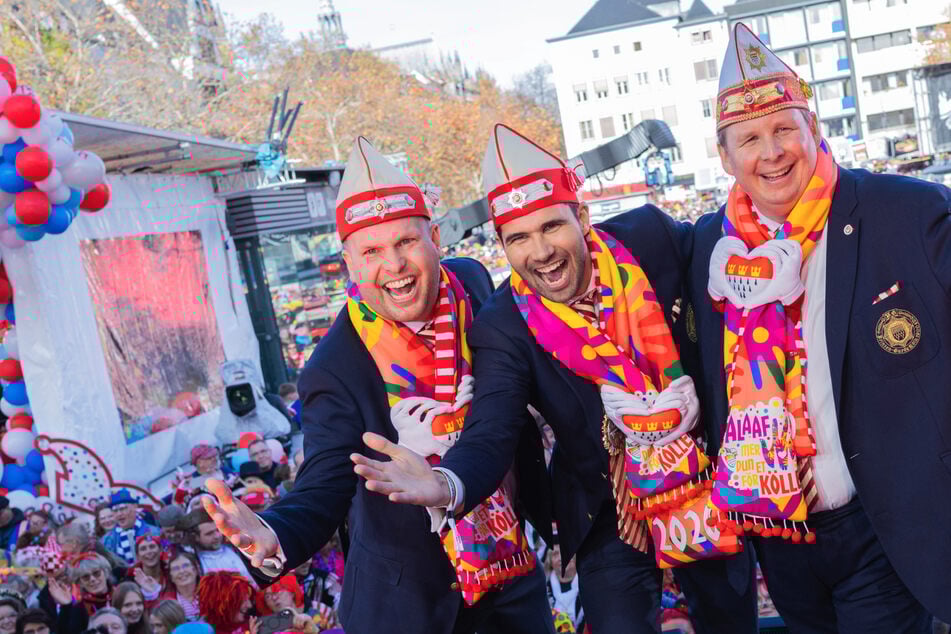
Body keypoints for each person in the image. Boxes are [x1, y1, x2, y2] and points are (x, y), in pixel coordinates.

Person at [352, 124, 757, 632]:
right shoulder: (504, 325)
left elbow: (728, 252)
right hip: (607, 510)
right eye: (518, 238)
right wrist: (445, 484)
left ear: (582, 218)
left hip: (703, 485)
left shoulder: (651, 238)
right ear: (502, 246)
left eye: (552, 228)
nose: (540, 252)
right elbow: (492, 430)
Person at [203, 136, 554, 633]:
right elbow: (325, 479)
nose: (394, 266)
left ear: (435, 237)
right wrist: (273, 531)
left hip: (511, 584)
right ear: (349, 263)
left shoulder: (472, 284)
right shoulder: (333, 366)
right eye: (372, 251)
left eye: (406, 242)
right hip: (406, 607)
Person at [684, 22, 951, 632]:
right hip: (780, 539)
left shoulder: (905, 211)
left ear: (815, 130)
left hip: (882, 525)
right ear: (725, 158)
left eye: (784, 129)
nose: (771, 152)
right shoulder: (707, 246)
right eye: (749, 139)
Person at [181, 509, 255, 585]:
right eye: (209, 534)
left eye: (217, 530)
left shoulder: (237, 549)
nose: (217, 536)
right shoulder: (193, 561)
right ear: (195, 537)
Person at [102, 491, 159, 566]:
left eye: (123, 508)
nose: (119, 514)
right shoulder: (107, 541)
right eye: (115, 510)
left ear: (135, 507)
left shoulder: (155, 532)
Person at [140, 551, 199, 621]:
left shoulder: (211, 592)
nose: (182, 571)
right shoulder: (165, 600)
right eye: (176, 569)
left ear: (195, 570)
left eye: (186, 566)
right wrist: (151, 594)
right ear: (171, 577)